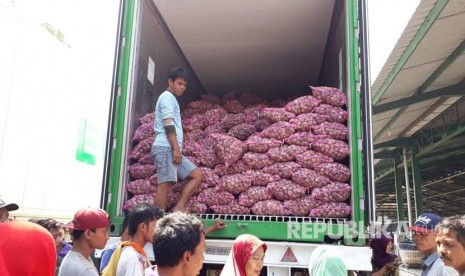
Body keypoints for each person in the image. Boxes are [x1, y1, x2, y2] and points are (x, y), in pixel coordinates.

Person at [152, 67, 202, 212]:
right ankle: (156, 222)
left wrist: (183, 130)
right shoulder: (167, 97)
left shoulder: (171, 99)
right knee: (165, 185)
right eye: (179, 83)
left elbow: (168, 122)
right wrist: (176, 149)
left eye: (185, 85)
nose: (182, 87)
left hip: (171, 149)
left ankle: (179, 206)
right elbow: (168, 123)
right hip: (166, 148)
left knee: (196, 175)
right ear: (170, 82)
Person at [113, 203, 164, 276]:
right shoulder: (133, 259)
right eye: (155, 226)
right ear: (143, 227)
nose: (159, 231)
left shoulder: (134, 253)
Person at [59, 207, 110, 276]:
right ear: (88, 234)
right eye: (104, 232)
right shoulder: (86, 271)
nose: (108, 237)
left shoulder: (76, 257)